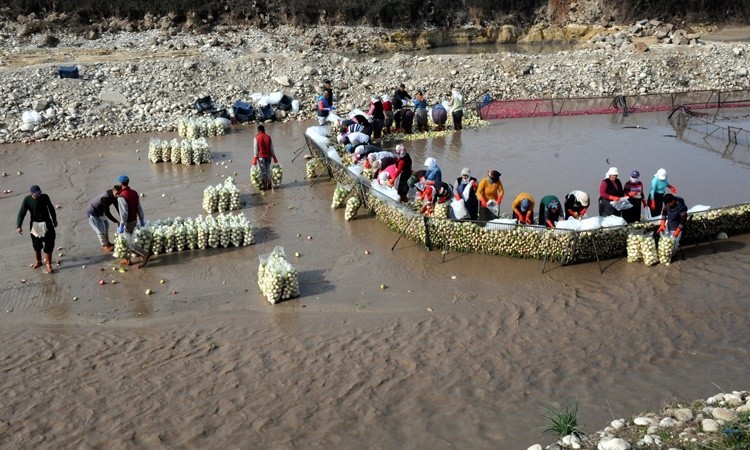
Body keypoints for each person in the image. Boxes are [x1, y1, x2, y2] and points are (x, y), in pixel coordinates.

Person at [16, 185, 58, 273]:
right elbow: (21, 213)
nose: (39, 195)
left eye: (40, 193)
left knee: (49, 243)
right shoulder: (27, 200)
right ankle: (39, 262)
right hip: (35, 225)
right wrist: (19, 226)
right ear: (32, 193)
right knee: (37, 244)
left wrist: (54, 220)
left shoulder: (45, 197)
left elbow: (51, 208)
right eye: (37, 194)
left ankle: (48, 265)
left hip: (47, 223)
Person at [116, 175, 151, 268]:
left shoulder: (122, 196)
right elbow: (139, 207)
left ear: (121, 183)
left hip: (128, 222)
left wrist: (121, 225)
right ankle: (128, 260)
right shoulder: (134, 193)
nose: (117, 184)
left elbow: (124, 213)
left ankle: (145, 254)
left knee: (128, 243)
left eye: (118, 182)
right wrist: (141, 219)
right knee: (130, 238)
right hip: (134, 220)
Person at [86, 185, 121, 252]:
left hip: (101, 211)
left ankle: (107, 243)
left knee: (106, 226)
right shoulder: (105, 198)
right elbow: (107, 212)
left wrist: (122, 218)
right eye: (117, 194)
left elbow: (117, 207)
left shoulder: (114, 196)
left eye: (119, 194)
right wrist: (116, 221)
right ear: (113, 191)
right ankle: (105, 246)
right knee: (100, 230)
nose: (118, 196)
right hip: (93, 212)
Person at [657, 193, 688, 257]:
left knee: (672, 245)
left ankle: (671, 256)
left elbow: (683, 221)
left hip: (678, 228)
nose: (667, 205)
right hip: (670, 225)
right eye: (666, 204)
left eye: (668, 203)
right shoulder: (667, 204)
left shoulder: (681, 207)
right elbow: (664, 213)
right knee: (666, 243)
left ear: (673, 201)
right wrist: (662, 224)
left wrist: (678, 230)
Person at [253, 125, 278, 190]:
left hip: (261, 157)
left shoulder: (256, 138)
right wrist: (274, 156)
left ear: (258, 131)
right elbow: (271, 148)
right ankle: (269, 182)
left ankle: (264, 185)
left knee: (263, 171)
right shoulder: (268, 137)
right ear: (264, 130)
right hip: (269, 157)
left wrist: (255, 158)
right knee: (267, 169)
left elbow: (256, 149)